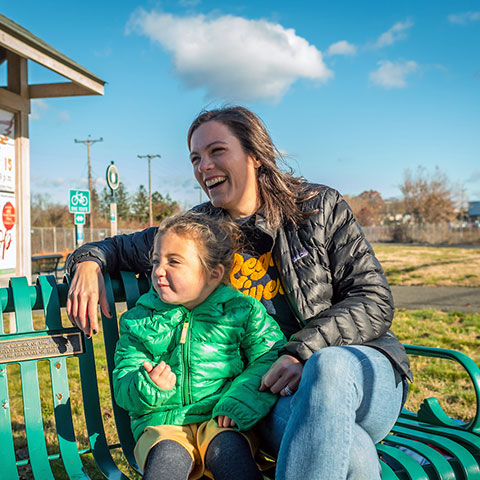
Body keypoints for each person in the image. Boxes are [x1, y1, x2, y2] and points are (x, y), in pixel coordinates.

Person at [67, 105, 412, 480]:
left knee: (326, 366)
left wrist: (301, 351)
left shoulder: (319, 208)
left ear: (255, 156)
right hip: (272, 395)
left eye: (217, 151)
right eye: (196, 158)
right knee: (352, 450)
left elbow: (373, 299)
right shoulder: (198, 233)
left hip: (361, 375)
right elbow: (118, 247)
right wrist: (88, 261)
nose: (203, 167)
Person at [113, 210, 286, 480]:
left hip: (221, 418)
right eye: (157, 260)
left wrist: (239, 400)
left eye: (174, 262)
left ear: (213, 273)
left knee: (230, 454)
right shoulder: (139, 320)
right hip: (163, 424)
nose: (158, 271)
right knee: (167, 459)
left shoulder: (242, 311)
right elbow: (123, 385)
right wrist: (147, 385)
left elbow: (271, 356)